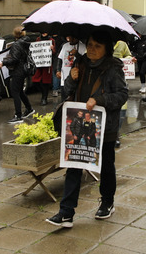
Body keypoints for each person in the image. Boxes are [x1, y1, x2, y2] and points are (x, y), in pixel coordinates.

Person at [46, 29, 129, 228]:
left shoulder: (114, 67)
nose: (92, 49)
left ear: (106, 49)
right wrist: (71, 79)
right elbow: (66, 92)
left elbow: (121, 95)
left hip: (103, 127)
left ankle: (107, 202)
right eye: (90, 44)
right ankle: (66, 212)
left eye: (97, 46)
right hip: (78, 124)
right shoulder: (80, 63)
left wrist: (99, 100)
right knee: (73, 167)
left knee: (106, 165)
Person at [0, 26, 35, 124]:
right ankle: (29, 108)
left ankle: (18, 115)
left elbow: (14, 59)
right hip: (23, 70)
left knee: (15, 92)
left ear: (15, 34)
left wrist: (3, 62)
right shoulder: (25, 43)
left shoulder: (16, 45)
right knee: (19, 91)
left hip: (17, 71)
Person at [57, 35, 86, 100]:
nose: (70, 38)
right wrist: (58, 70)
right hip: (64, 79)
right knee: (64, 99)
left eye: (72, 37)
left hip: (75, 79)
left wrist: (76, 54)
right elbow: (60, 58)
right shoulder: (64, 46)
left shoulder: (83, 47)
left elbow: (84, 61)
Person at [33, 33, 55, 105]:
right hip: (39, 63)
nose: (44, 33)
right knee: (35, 80)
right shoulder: (38, 39)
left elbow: (55, 52)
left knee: (45, 81)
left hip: (47, 64)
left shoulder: (51, 40)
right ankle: (43, 93)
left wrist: (52, 49)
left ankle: (44, 98)